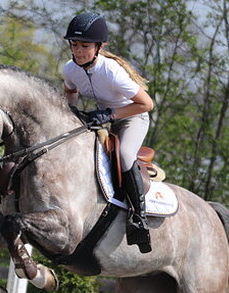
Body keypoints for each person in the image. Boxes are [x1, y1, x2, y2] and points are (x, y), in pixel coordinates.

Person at [62, 12, 154, 253]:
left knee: (124, 155)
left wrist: (110, 115)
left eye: (85, 46)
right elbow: (70, 90)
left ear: (99, 47)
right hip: (103, 118)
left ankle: (139, 218)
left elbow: (146, 104)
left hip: (133, 117)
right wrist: (70, 111)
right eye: (74, 45)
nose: (78, 51)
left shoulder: (111, 71)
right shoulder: (70, 69)